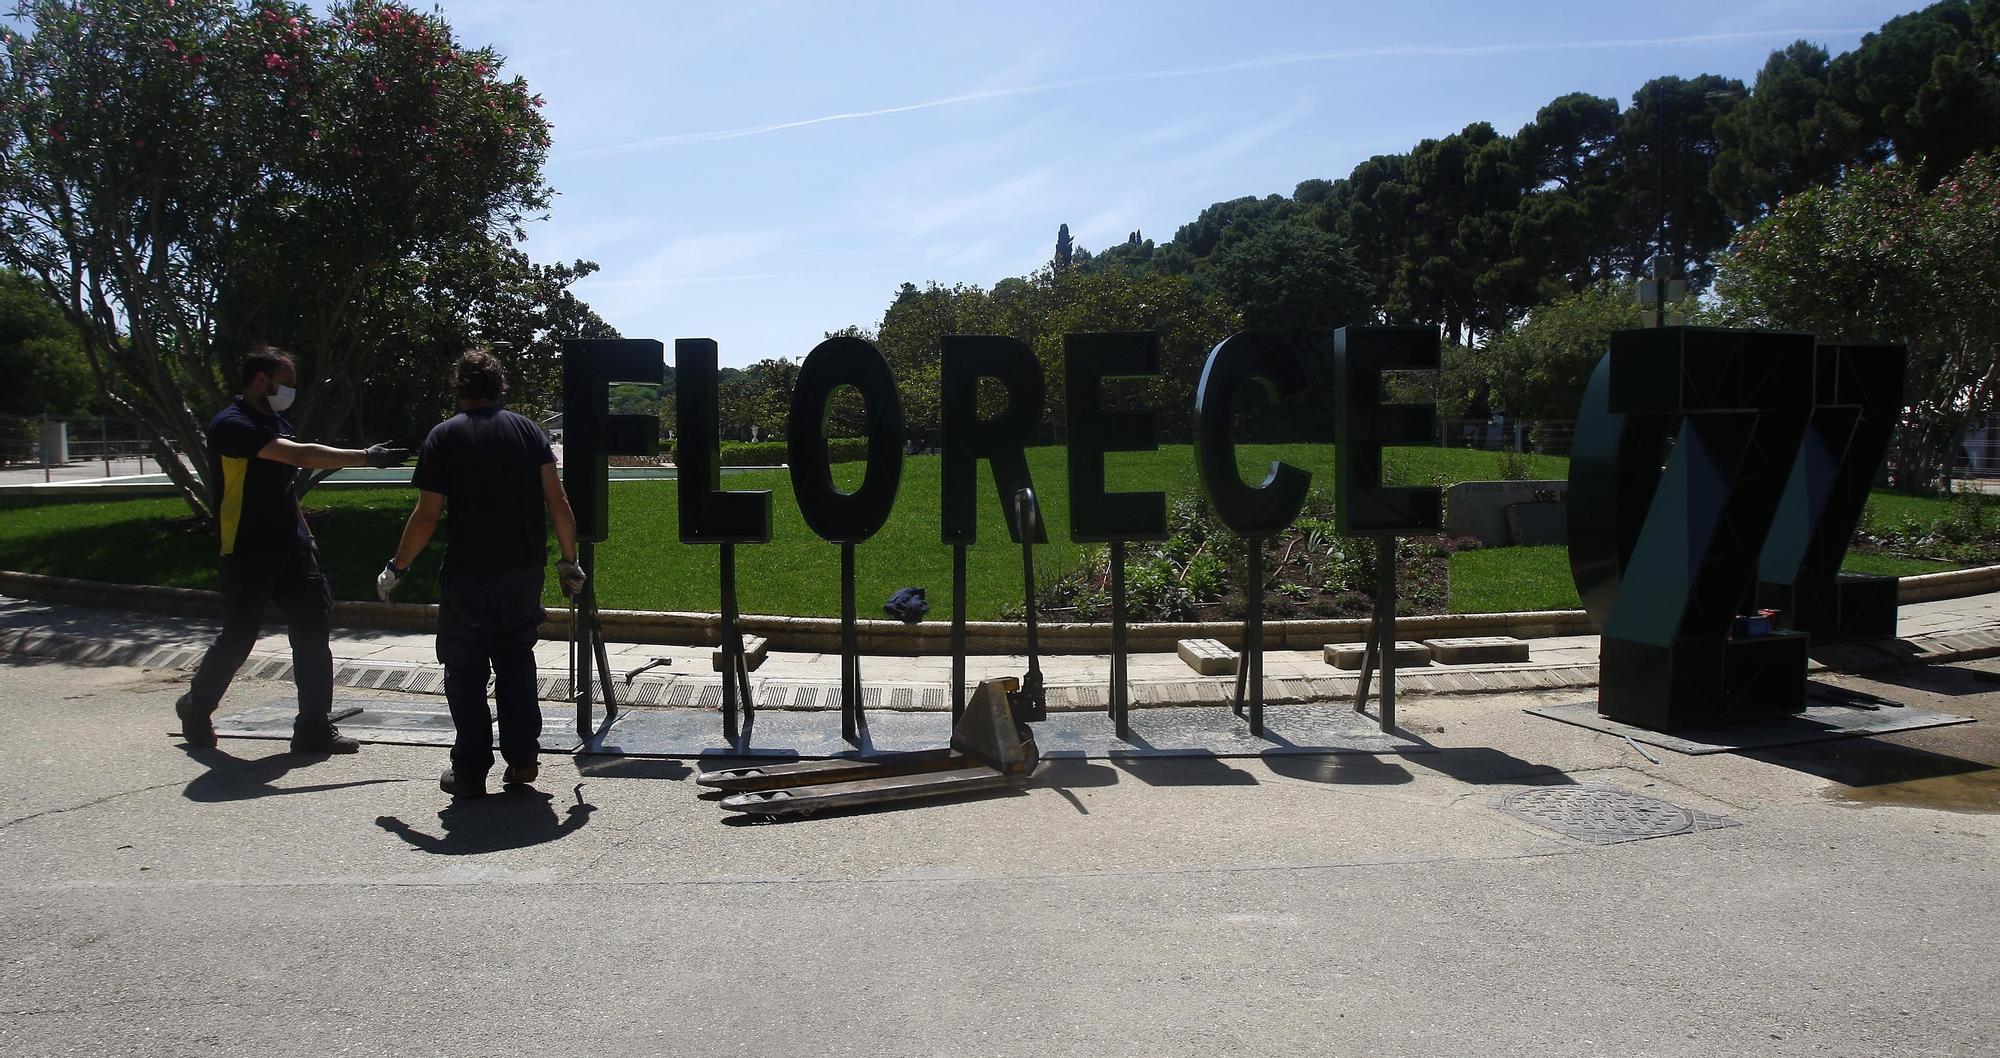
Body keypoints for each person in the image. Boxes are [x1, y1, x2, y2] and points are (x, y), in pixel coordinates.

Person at [176, 346, 408, 753]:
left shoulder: (273, 420)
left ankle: (313, 726)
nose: (290, 392)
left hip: (293, 549)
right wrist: (366, 457)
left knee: (312, 635)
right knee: (239, 636)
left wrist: (308, 538)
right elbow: (300, 456)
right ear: (261, 380)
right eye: (286, 383)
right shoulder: (233, 425)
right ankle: (196, 708)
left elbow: (284, 488)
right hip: (247, 549)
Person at [377, 350, 586, 798]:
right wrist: (569, 560)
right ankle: (523, 756)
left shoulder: (443, 437)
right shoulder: (529, 432)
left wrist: (398, 567)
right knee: (515, 659)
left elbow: (427, 516)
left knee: (465, 670)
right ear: (500, 387)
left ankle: (470, 769)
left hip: (469, 574)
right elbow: (558, 501)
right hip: (522, 571)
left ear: (459, 389)